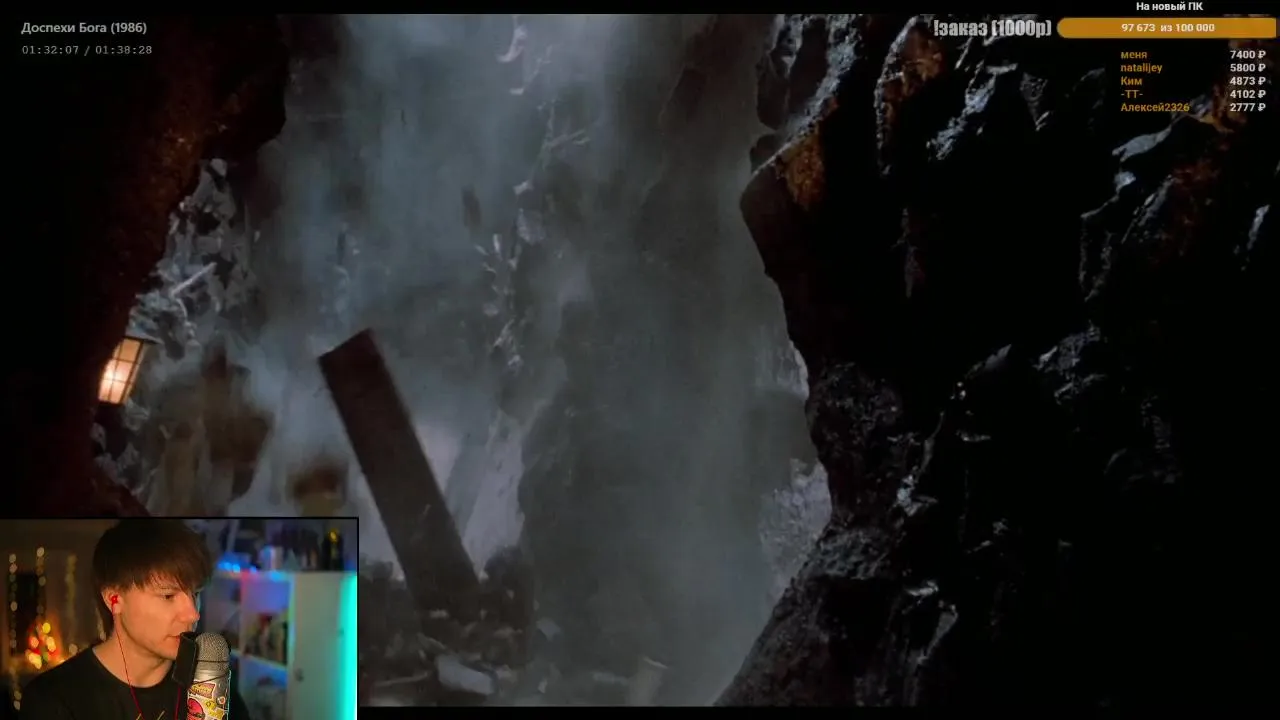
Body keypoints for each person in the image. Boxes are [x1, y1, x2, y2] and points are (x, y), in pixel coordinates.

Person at [19, 519, 251, 720]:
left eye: (196, 594)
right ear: (114, 599)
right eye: (168, 596)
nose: (192, 614)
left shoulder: (211, 685)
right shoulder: (53, 700)